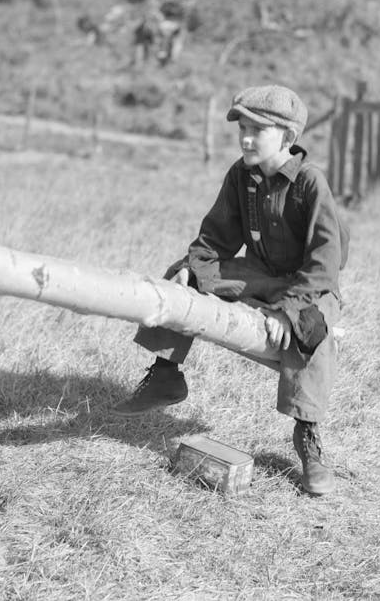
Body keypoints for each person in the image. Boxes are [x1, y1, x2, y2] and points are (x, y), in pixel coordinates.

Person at [112, 84, 349, 495]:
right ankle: (167, 374)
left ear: (288, 138)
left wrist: (285, 311)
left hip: (308, 286)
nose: (246, 138)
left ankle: (308, 437)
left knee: (313, 331)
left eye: (258, 129)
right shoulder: (241, 176)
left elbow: (325, 264)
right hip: (259, 273)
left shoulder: (311, 184)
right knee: (184, 272)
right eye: (242, 127)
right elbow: (215, 239)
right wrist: (195, 268)